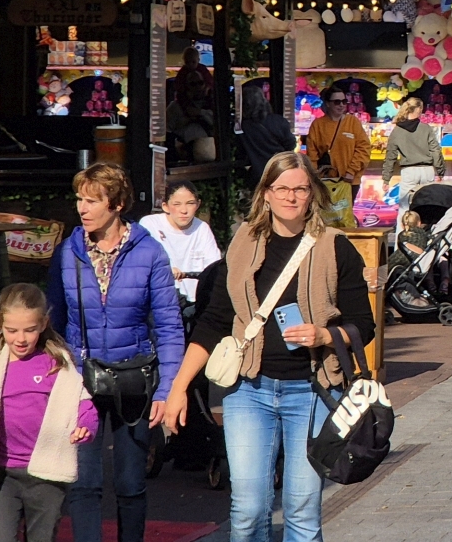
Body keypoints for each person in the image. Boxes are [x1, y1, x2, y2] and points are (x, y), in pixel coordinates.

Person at [161, 151, 375, 542]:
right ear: (266, 193)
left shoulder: (334, 246)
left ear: (313, 194)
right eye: (282, 189)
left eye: (300, 189)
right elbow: (213, 320)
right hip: (248, 389)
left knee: (302, 509)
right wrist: (178, 389)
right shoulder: (244, 241)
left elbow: (363, 323)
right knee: (248, 509)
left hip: (312, 391)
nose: (291, 197)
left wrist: (326, 336)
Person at [45, 163, 185, 542]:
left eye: (93, 200)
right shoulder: (67, 253)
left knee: (130, 483)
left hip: (134, 377)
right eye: (80, 199)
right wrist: (55, 378)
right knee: (85, 483)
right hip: (81, 379)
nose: (82, 208)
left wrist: (168, 388)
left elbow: (170, 326)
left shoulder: (150, 252)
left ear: (118, 204)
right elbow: (52, 324)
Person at [0, 283, 99, 542]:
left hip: (46, 476)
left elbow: (82, 403)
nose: (21, 339)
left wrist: (85, 425)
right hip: (1, 474)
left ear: (43, 324)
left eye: (30, 330)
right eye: (12, 330)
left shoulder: (56, 365)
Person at [138, 182, 222, 305]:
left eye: (190, 203)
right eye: (177, 204)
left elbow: (213, 265)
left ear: (198, 204)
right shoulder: (150, 224)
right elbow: (143, 259)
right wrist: (165, 269)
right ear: (165, 206)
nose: (184, 210)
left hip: (194, 300)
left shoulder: (202, 228)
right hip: (160, 297)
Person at [382, 94, 445, 204]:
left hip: (409, 171)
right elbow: (436, 150)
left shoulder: (397, 131)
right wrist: (440, 171)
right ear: (419, 110)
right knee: (426, 207)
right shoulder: (426, 128)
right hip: (427, 171)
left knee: (406, 207)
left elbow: (390, 157)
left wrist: (386, 179)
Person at [301, 84, 370, 183]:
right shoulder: (318, 124)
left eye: (344, 101)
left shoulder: (353, 122)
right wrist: (314, 176)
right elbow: (312, 153)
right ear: (328, 104)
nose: (341, 105)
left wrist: (351, 171)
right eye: (337, 102)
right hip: (324, 179)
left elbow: (364, 148)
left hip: (349, 180)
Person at [237, 83, 295, 187]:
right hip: (280, 171)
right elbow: (291, 145)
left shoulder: (242, 127)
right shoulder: (279, 121)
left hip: (256, 176)